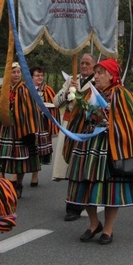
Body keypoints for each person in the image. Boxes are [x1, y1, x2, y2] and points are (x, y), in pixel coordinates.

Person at [65, 58, 133, 245]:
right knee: (83, 184)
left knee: (111, 190)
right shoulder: (89, 92)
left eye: (100, 72)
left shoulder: (122, 95)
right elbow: (78, 116)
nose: (96, 76)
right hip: (89, 144)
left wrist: (110, 123)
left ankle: (108, 229)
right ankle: (94, 223)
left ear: (111, 76)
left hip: (112, 147)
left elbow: (130, 123)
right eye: (96, 72)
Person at [52, 53, 95, 221]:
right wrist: (69, 92)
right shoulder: (71, 79)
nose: (84, 66)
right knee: (70, 165)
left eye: (87, 63)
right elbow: (56, 102)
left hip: (87, 128)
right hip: (70, 126)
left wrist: (80, 96)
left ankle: (85, 202)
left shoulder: (96, 80)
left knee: (84, 166)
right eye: (82, 63)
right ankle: (72, 206)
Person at [0, 63, 42, 198]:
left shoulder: (25, 89)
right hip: (4, 129)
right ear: (8, 74)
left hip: (20, 130)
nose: (16, 75)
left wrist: (21, 117)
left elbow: (31, 109)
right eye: (13, 72)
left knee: (20, 158)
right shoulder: (1, 89)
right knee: (0, 157)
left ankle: (18, 184)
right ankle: (1, 187)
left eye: (18, 72)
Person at [29, 65, 55, 187]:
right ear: (31, 77)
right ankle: (19, 175)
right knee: (28, 148)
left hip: (42, 123)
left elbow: (54, 103)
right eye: (37, 75)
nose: (40, 77)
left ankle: (35, 176)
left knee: (38, 150)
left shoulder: (47, 89)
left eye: (41, 75)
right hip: (29, 122)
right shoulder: (26, 89)